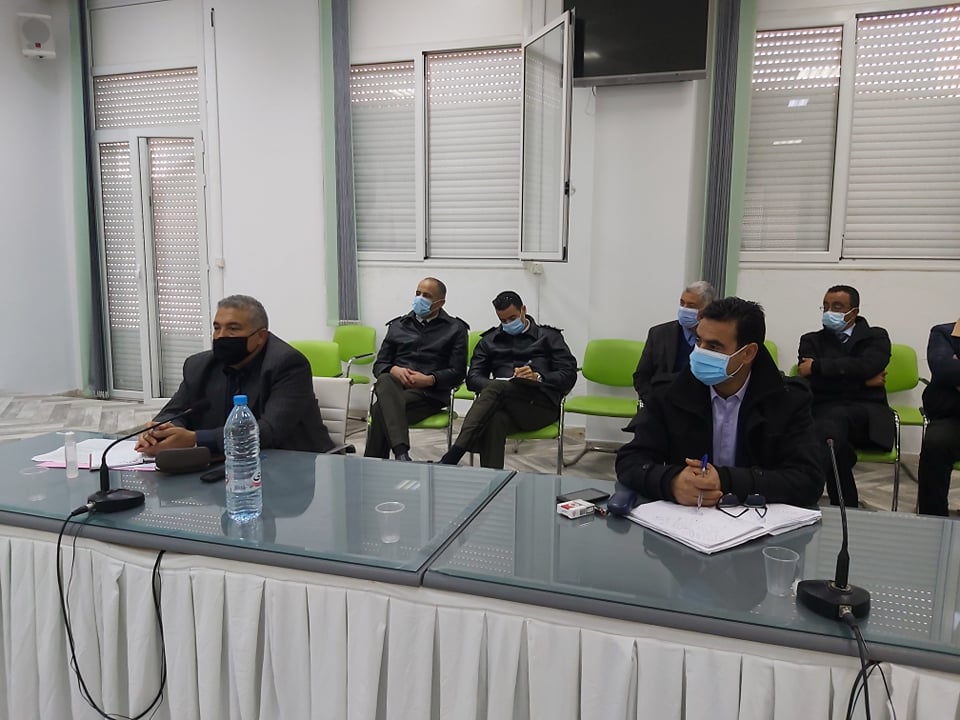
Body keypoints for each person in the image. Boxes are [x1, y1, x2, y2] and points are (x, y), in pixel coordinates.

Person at [616, 297, 823, 507]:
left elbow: (807, 479)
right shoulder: (668, 393)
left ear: (748, 353)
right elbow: (631, 461)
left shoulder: (789, 400)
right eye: (699, 341)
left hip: (755, 517)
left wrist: (725, 480)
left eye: (714, 346)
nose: (700, 352)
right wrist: (671, 482)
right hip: (686, 517)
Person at [135, 294, 334, 456]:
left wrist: (195, 439)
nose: (221, 336)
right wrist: (160, 431)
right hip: (221, 464)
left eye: (233, 329)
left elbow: (269, 431)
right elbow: (175, 411)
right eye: (217, 328)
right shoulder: (199, 366)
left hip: (290, 465)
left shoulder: (287, 365)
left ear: (260, 336)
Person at [439, 291, 577, 469]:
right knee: (494, 420)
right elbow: (473, 379)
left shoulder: (549, 337)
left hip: (540, 406)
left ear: (523, 310)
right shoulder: (489, 341)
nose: (508, 323)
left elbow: (569, 375)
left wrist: (538, 377)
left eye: (512, 318)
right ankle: (492, 478)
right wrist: (498, 387)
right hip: (503, 404)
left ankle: (453, 455)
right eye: (503, 320)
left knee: (497, 390)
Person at [797, 285, 894, 507]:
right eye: (826, 306)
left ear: (854, 312)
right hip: (824, 411)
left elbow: (869, 365)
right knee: (833, 438)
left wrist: (818, 367)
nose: (829, 311)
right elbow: (811, 382)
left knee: (831, 426)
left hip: (866, 416)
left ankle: (804, 494)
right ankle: (846, 507)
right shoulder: (811, 340)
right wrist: (863, 382)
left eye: (837, 307)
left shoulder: (876, 336)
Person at [365, 277, 468, 461]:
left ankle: (375, 464)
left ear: (440, 302)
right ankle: (401, 454)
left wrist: (430, 379)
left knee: (380, 410)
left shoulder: (455, 329)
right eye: (417, 293)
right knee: (386, 378)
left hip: (429, 395)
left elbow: (458, 372)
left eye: (426, 296)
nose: (420, 298)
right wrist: (393, 369)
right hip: (396, 388)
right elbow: (379, 365)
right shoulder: (398, 325)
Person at [633, 280, 716, 403]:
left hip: (700, 404)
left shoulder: (716, 339)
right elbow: (641, 376)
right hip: (658, 401)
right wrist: (653, 401)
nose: (684, 309)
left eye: (691, 306)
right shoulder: (659, 334)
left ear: (707, 309)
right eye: (682, 303)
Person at [917, 320, 960, 516]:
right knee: (935, 444)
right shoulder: (943, 333)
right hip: (952, 416)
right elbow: (944, 369)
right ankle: (933, 520)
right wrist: (952, 369)